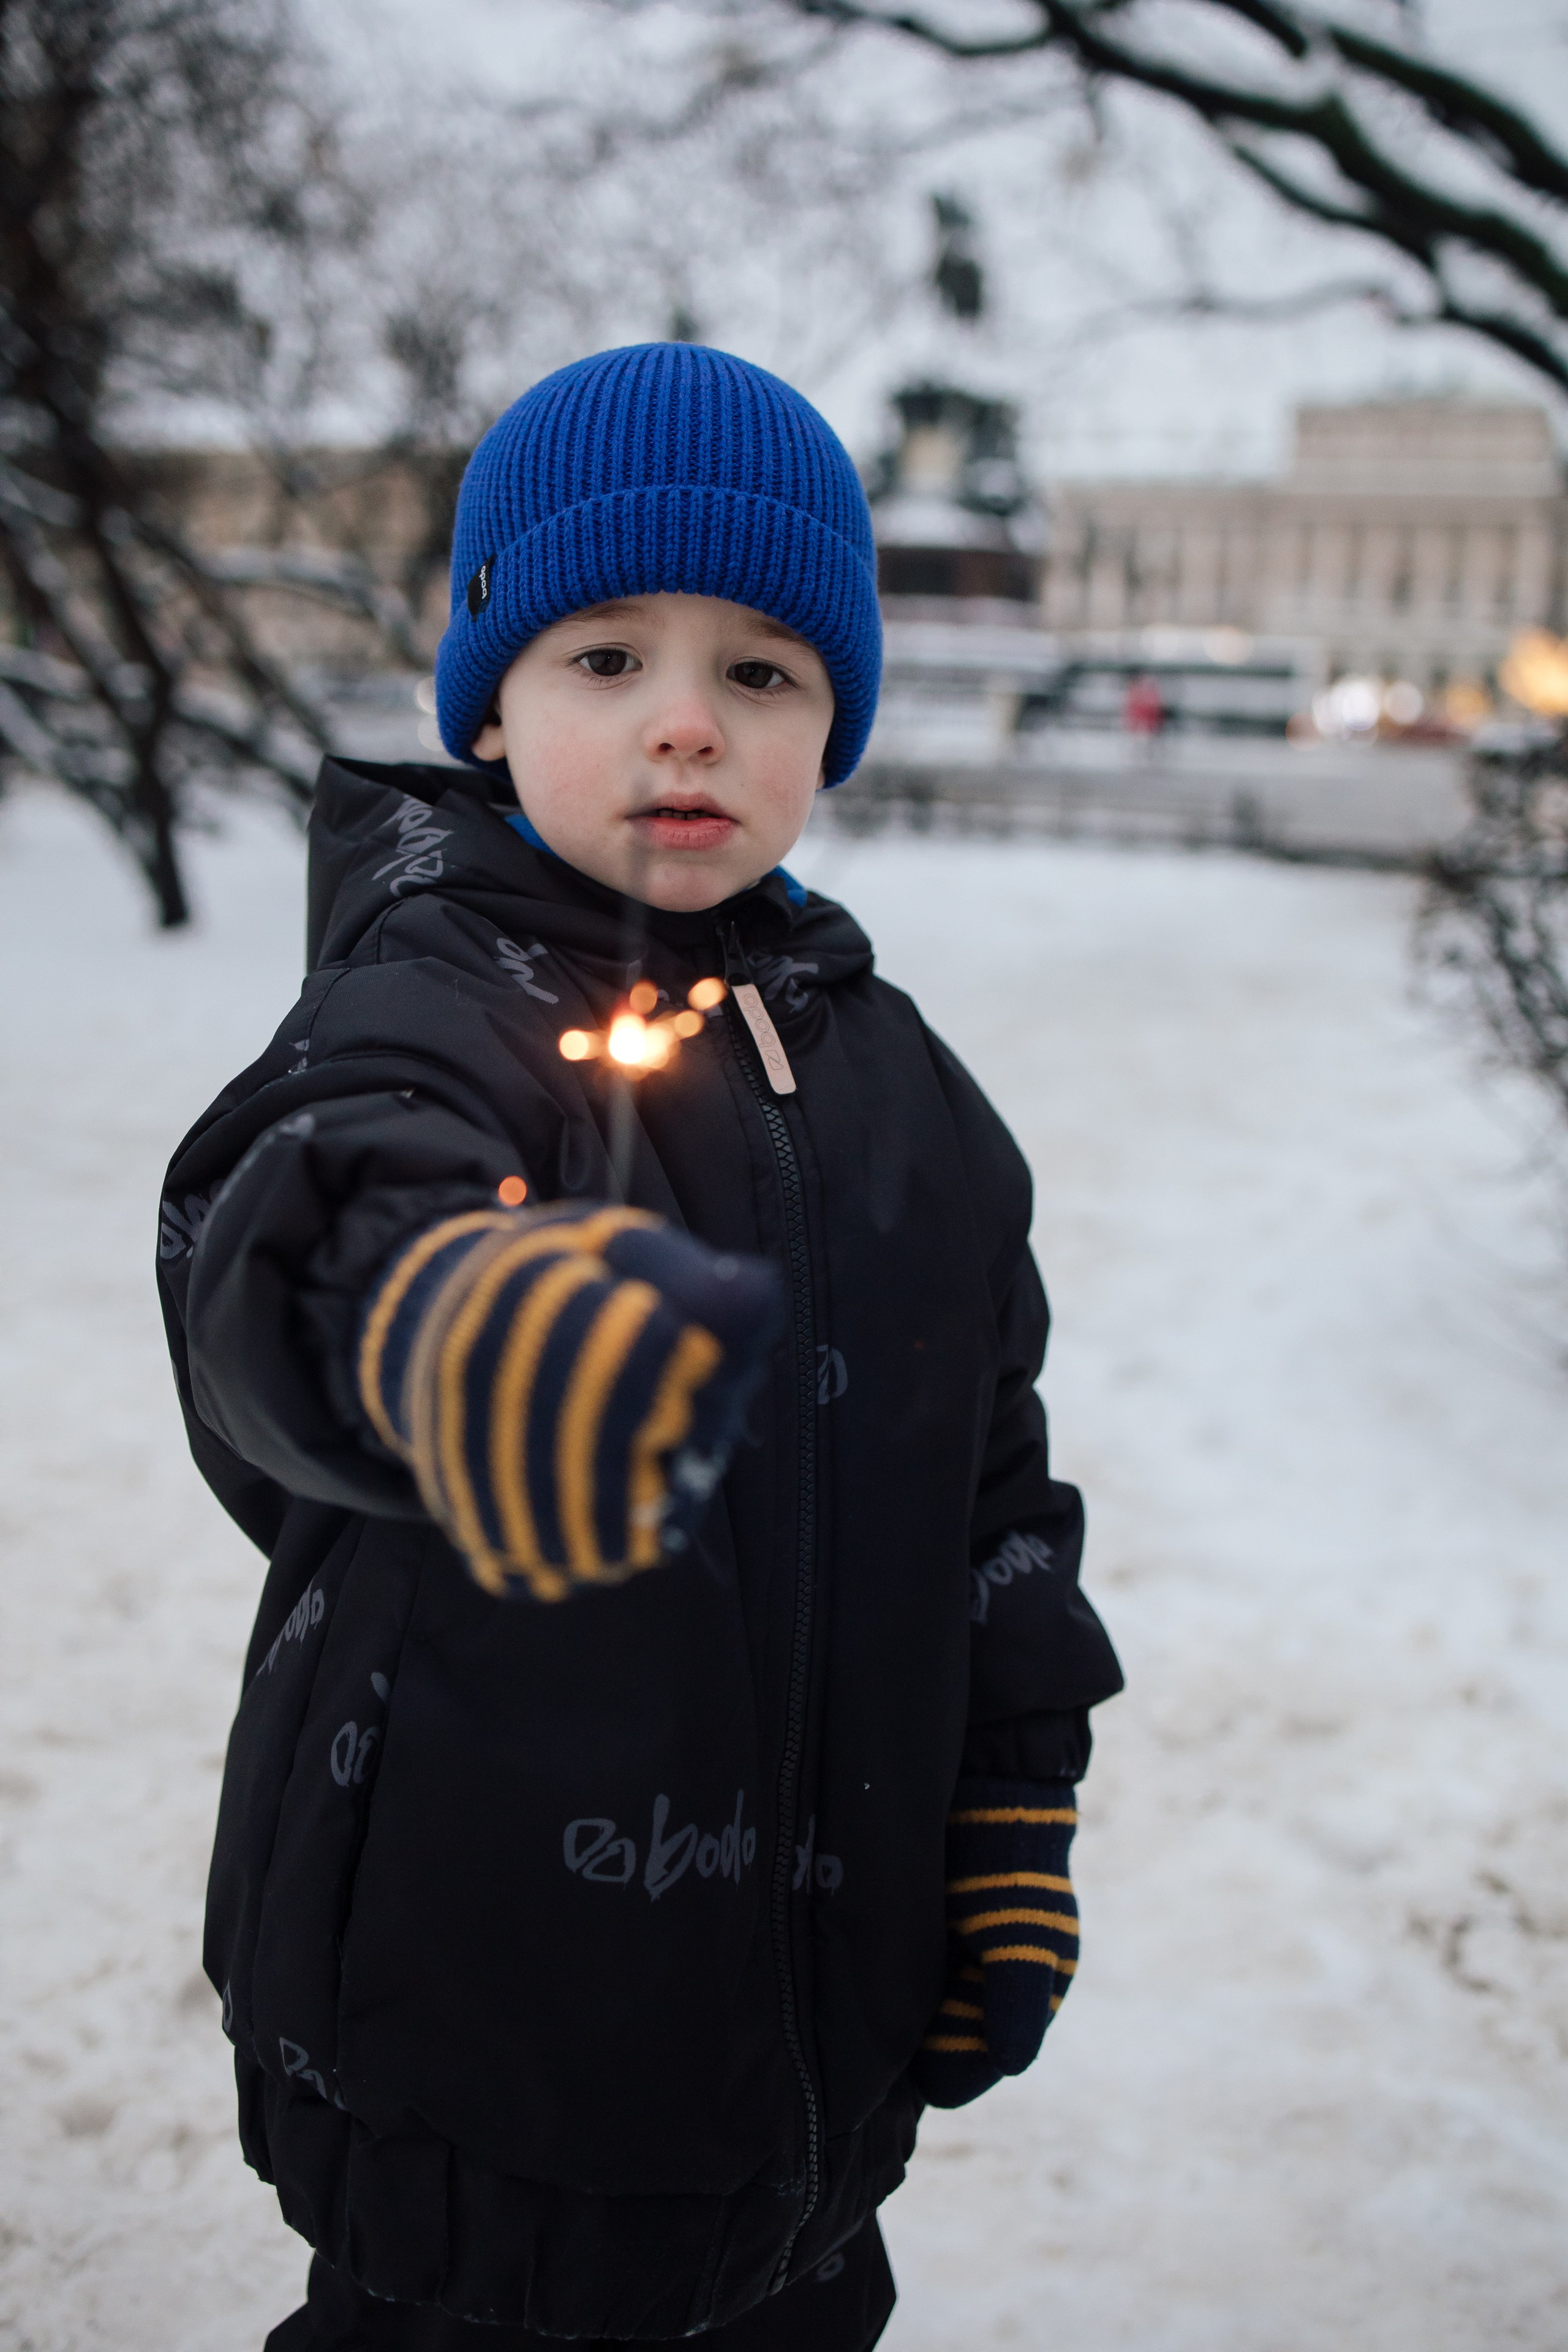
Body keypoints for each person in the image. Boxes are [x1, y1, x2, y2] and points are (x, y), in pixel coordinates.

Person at [157, 341, 1123, 2352]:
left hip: (816, 2050)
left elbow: (996, 1497)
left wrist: (1010, 1820)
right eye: (608, 659)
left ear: (832, 726)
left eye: (762, 672)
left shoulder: (909, 1094)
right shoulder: (426, 1012)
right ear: (492, 707)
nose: (687, 722)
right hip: (478, 2034)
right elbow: (289, 1231)